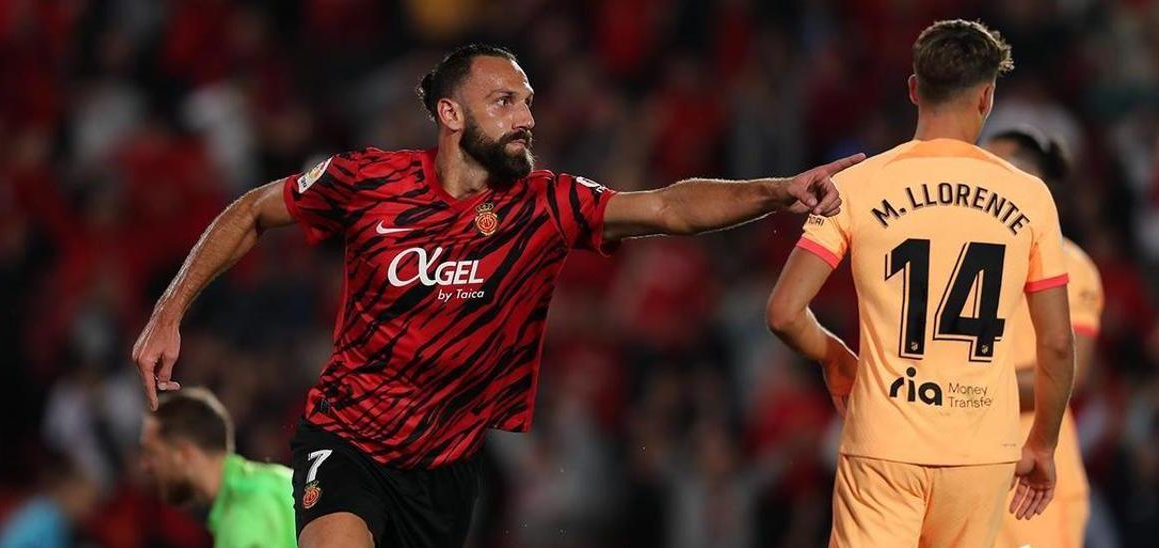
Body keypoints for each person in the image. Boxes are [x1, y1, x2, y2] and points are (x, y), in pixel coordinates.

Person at [132, 43, 863, 548]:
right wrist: (169, 311)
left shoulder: (546, 205)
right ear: (451, 116)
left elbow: (668, 208)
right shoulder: (369, 181)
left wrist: (777, 191)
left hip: (446, 472)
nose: (527, 117)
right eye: (505, 100)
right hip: (345, 441)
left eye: (530, 101)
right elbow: (255, 210)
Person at [765, 20, 1076, 547]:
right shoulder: (1030, 198)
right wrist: (1042, 445)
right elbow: (1057, 343)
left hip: (884, 444)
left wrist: (837, 358)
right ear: (987, 98)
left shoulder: (856, 187)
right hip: (982, 453)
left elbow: (784, 313)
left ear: (914, 89)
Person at [985, 127, 1103, 547]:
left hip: (1031, 484)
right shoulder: (968, 255)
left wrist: (963, 389)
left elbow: (1069, 374)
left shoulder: (1071, 264)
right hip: (970, 470)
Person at [139, 387, 296, 547]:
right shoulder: (278, 482)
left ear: (184, 455)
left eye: (153, 453)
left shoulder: (242, 517)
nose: (145, 466)